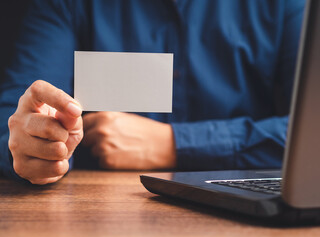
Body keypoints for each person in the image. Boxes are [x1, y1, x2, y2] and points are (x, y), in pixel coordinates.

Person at [0, 0, 305, 184]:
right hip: (96, 216)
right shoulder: (68, 4)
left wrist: (171, 144)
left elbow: (311, 136)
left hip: (248, 211)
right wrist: (34, 148)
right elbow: (12, 121)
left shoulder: (286, 5)